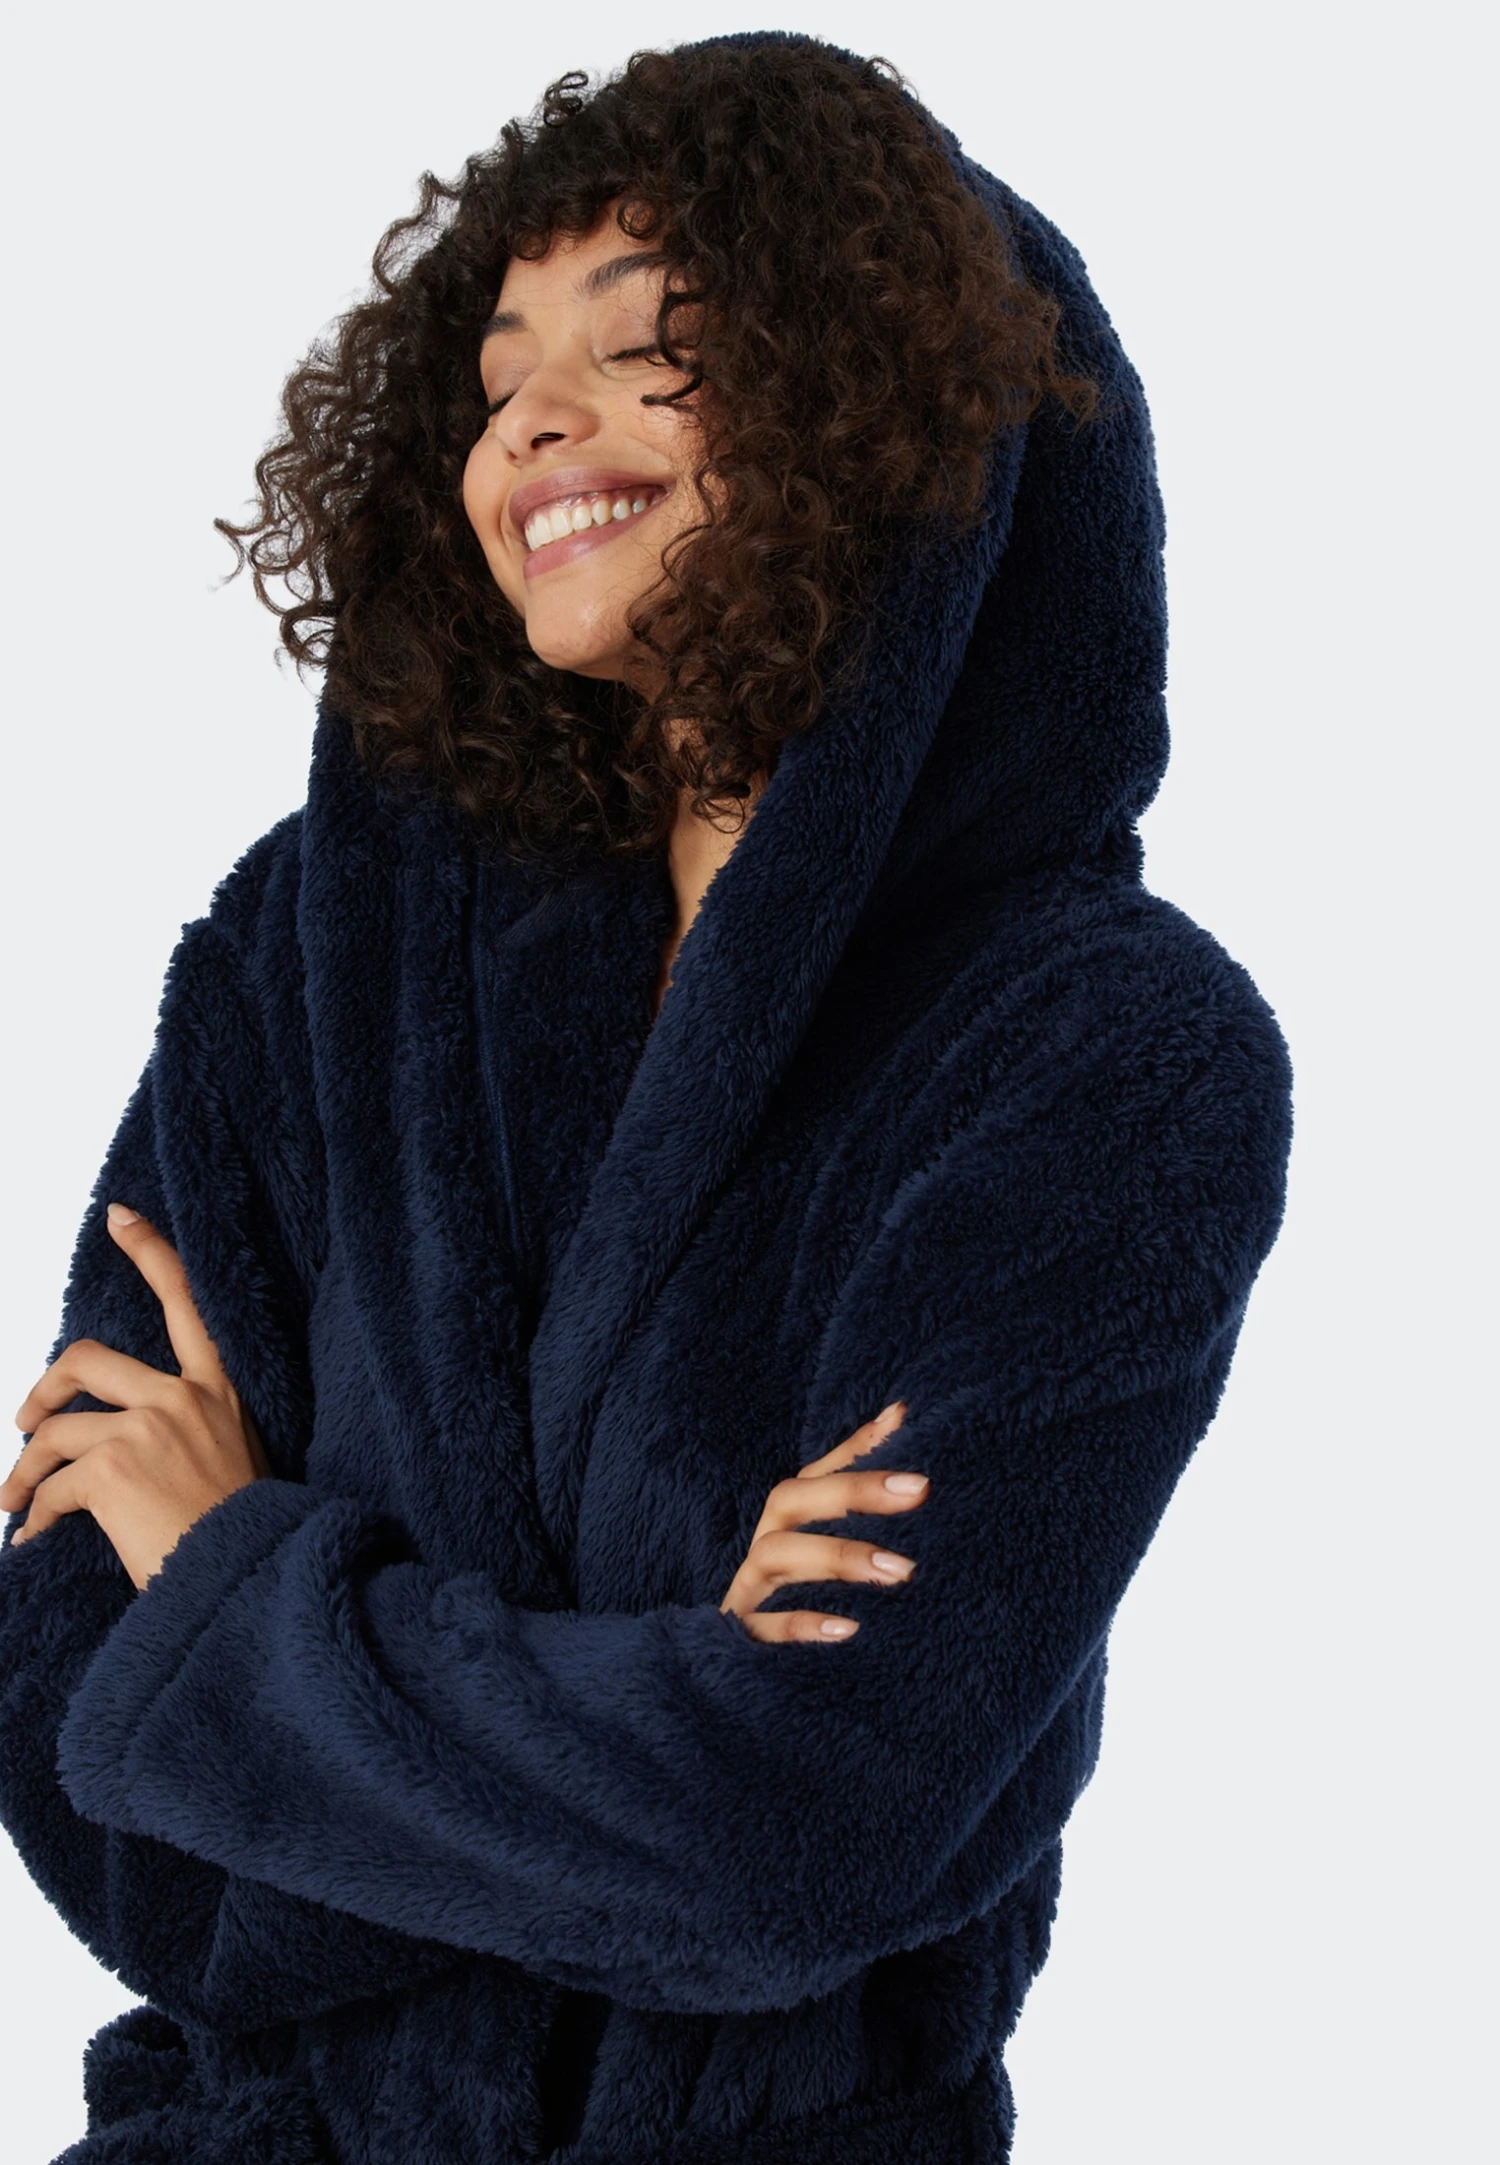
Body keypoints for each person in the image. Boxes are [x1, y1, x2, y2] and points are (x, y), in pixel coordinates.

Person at [0, 30, 1294, 2165]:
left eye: (641, 348)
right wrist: (658, 1672)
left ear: (871, 395)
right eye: (500, 372)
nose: (534, 421)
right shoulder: (305, 958)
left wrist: (234, 1598)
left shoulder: (1109, 1057)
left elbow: (801, 1833)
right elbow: (71, 1733)